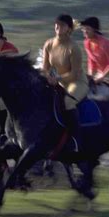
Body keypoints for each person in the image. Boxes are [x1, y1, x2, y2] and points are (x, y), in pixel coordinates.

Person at [42, 14, 89, 143]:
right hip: (58, 81)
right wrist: (48, 77)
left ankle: (76, 139)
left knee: (68, 102)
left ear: (68, 28)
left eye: (62, 25)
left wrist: (57, 79)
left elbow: (74, 74)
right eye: (56, 23)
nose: (58, 26)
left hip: (77, 82)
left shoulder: (74, 48)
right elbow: (45, 68)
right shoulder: (49, 44)